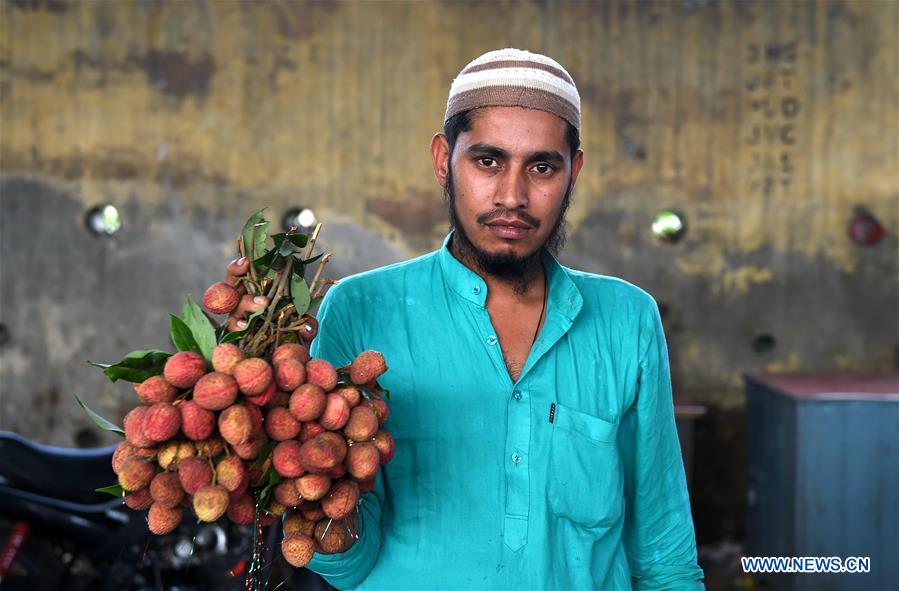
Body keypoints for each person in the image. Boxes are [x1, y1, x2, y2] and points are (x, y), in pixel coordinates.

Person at [229, 48, 704, 590]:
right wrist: (305, 488)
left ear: (574, 171)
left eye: (542, 167)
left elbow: (665, 553)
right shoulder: (360, 309)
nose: (513, 196)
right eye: (487, 161)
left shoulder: (627, 320)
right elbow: (350, 564)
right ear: (442, 160)